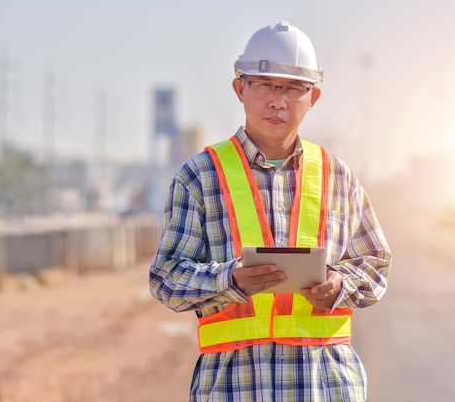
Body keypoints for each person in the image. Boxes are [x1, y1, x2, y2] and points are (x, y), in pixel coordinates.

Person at [149, 20, 392, 402]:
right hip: (234, 388)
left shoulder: (338, 177)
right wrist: (232, 280)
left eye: (294, 88)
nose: (278, 100)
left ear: (313, 98)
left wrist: (339, 285)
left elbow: (374, 262)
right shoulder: (199, 176)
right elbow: (166, 278)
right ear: (239, 88)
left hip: (325, 388)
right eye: (264, 84)